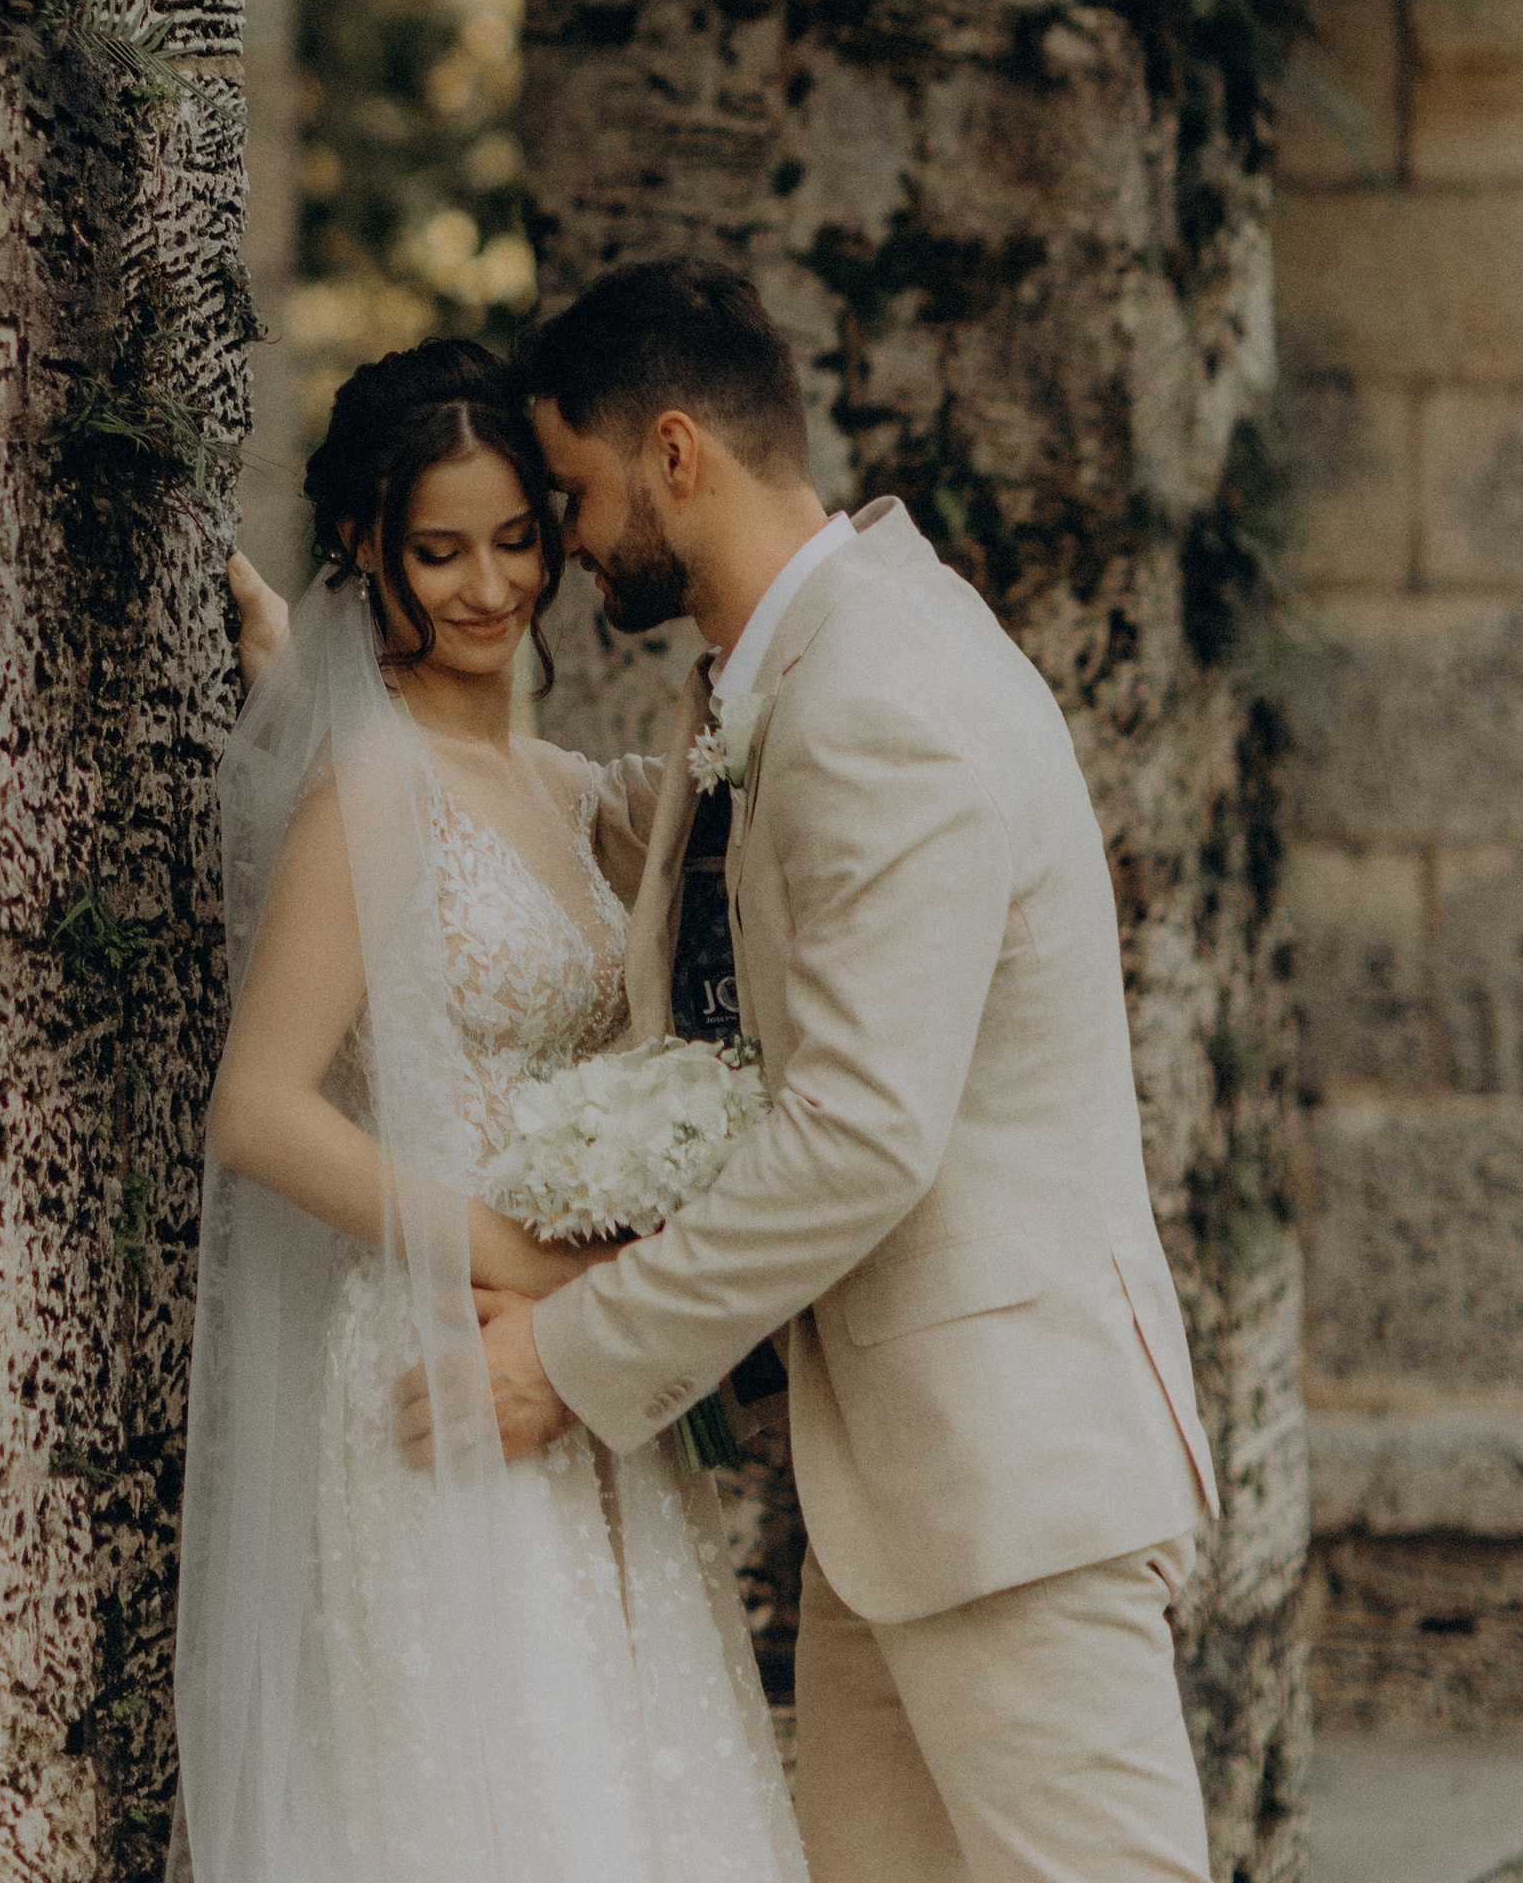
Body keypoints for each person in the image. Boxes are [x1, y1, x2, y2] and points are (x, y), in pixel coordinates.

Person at [492, 254, 1221, 1883]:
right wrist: (391, 750)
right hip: (903, 1491)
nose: (567, 539)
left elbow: (861, 1135)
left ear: (676, 453)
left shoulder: (880, 694)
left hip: (1011, 1483)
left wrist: (575, 1357)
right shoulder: (809, 666)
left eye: (574, 489)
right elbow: (664, 845)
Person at [175, 338, 806, 1883]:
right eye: (439, 550)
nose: (487, 587)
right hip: (431, 1347)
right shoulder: (369, 788)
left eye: (518, 539)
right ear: (365, 554)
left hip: (572, 1358)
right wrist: (512, 1254)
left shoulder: (565, 788)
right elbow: (255, 1109)